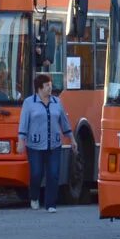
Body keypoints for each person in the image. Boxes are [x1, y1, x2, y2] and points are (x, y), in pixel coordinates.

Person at [17, 73, 75, 213]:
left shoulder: (57, 102)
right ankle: (34, 197)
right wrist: (21, 141)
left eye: (50, 85)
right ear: (39, 88)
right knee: (36, 173)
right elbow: (23, 123)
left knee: (53, 174)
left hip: (54, 144)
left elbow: (64, 122)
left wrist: (72, 139)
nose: (50, 88)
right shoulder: (29, 103)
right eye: (47, 85)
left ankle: (51, 204)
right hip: (35, 145)